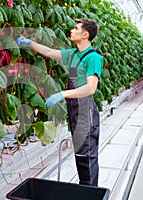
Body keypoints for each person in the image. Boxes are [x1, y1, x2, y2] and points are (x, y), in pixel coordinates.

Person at [17, 18, 103, 186]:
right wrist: (30, 44)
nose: (72, 30)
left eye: (76, 28)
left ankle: (92, 193)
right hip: (76, 112)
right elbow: (49, 52)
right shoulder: (73, 54)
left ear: (85, 34)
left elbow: (90, 88)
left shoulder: (93, 58)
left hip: (86, 112)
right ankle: (85, 189)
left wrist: (62, 94)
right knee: (80, 156)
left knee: (87, 158)